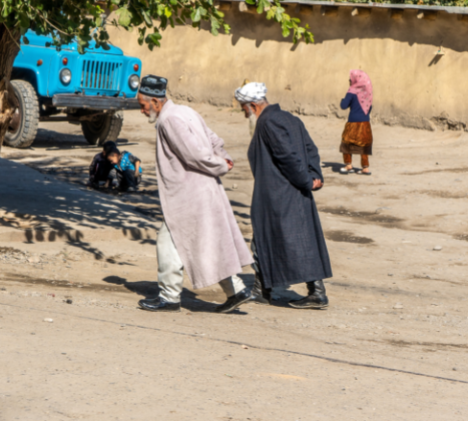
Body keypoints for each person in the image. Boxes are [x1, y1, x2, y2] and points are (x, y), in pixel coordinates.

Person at [135, 76, 254, 314]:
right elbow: (213, 139)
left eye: (143, 105)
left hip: (189, 194)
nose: (142, 110)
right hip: (204, 189)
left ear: (156, 102)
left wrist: (220, 164)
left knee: (168, 242)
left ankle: (169, 297)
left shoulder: (168, 120)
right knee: (208, 241)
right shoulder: (186, 111)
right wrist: (224, 157)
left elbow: (194, 155)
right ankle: (237, 290)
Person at [235, 82, 332, 309]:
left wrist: (307, 180)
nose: (244, 113)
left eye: (243, 108)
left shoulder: (268, 122)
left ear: (252, 106)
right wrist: (314, 176)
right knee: (289, 238)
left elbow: (286, 156)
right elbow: (311, 149)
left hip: (278, 194)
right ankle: (264, 289)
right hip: (292, 190)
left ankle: (314, 292)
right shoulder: (289, 118)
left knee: (277, 239)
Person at [339, 70, 373, 175]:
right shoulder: (367, 93)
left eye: (350, 79)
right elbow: (369, 108)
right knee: (364, 145)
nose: (349, 81)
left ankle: (348, 165)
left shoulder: (352, 91)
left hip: (353, 123)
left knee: (346, 143)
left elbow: (343, 106)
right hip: (365, 124)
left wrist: (343, 100)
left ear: (355, 80)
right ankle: (365, 168)